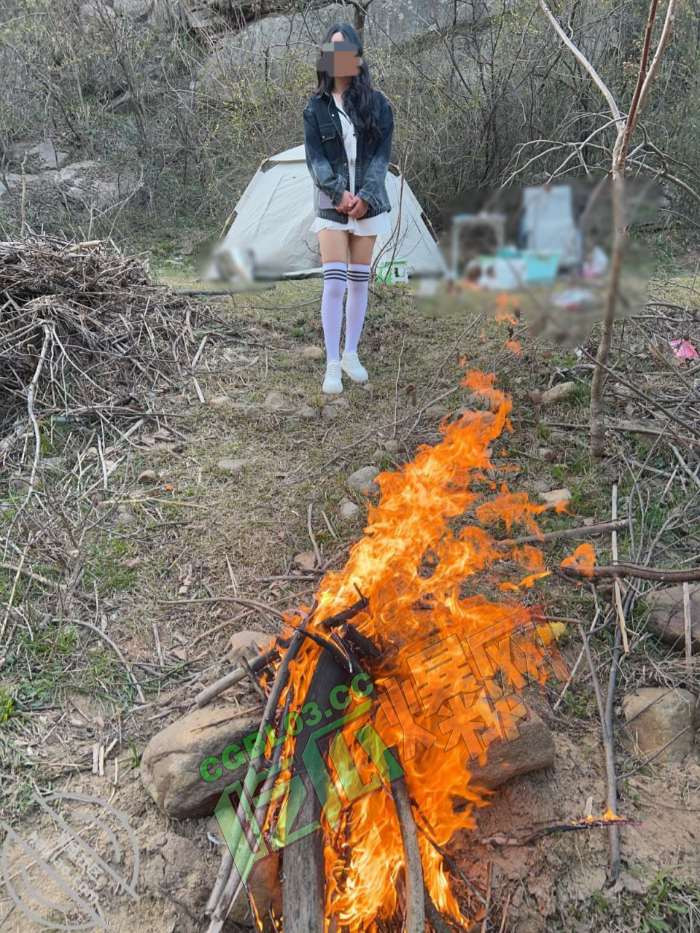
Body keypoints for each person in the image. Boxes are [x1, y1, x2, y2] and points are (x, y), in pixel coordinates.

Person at [303, 23, 394, 394]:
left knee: (359, 283)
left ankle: (351, 353)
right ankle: (331, 364)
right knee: (334, 283)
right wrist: (339, 195)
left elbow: (381, 158)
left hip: (369, 205)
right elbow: (315, 160)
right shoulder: (315, 107)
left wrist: (367, 197)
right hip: (331, 205)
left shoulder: (379, 104)